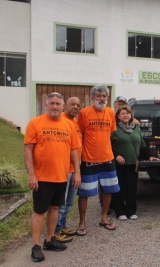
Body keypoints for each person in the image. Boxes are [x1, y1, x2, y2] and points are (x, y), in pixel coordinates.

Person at [24, 93, 80, 262]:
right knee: (39, 211)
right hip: (41, 177)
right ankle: (36, 246)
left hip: (62, 176)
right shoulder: (35, 123)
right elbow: (28, 150)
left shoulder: (69, 125)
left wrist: (77, 172)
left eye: (58, 103)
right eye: (52, 103)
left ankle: (49, 240)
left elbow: (74, 151)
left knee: (55, 209)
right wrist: (31, 175)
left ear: (63, 106)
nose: (55, 106)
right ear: (46, 105)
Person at [77, 84, 120, 235]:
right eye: (99, 96)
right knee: (84, 193)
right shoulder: (84, 113)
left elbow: (112, 134)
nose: (102, 99)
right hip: (89, 159)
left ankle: (104, 218)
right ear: (92, 97)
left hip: (108, 159)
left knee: (108, 191)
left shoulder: (110, 113)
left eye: (104, 96)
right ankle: (82, 222)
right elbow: (79, 135)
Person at [111, 106, 159, 220]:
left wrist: (149, 156)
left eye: (127, 113)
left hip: (133, 163)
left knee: (132, 188)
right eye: (122, 113)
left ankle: (131, 211)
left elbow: (142, 144)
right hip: (119, 164)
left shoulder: (135, 128)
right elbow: (107, 145)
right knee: (119, 188)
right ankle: (120, 212)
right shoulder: (113, 129)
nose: (126, 115)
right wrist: (116, 156)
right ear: (118, 116)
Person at [54, 97, 83, 243]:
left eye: (78, 105)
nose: (75, 107)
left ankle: (62, 225)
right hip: (63, 170)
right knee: (60, 203)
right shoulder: (61, 120)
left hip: (74, 169)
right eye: (73, 104)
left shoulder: (75, 122)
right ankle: (56, 231)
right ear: (65, 105)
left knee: (69, 202)